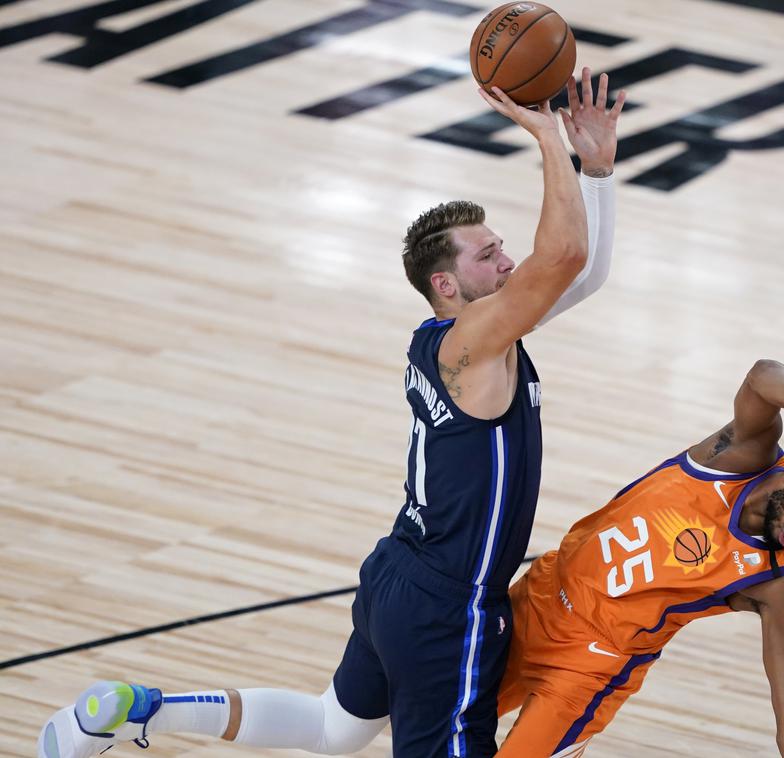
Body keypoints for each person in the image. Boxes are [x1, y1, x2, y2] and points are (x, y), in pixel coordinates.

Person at [37, 69, 627, 758]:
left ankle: (142, 707)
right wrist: (550, 141)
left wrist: (598, 169)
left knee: (332, 729)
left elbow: (580, 276)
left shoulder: (459, 340)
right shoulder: (474, 342)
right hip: (447, 607)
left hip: (399, 573)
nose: (507, 259)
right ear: (446, 284)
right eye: (488, 253)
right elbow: (565, 254)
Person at [495, 359, 784, 758]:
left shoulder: (778, 588)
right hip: (539, 598)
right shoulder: (741, 455)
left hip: (590, 667)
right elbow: (762, 376)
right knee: (428, 723)